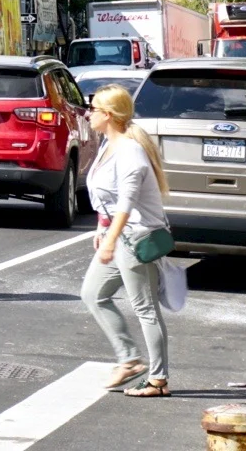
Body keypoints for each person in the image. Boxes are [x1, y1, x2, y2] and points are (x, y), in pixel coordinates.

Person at [82, 84, 171, 397]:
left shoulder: (130, 152)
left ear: (107, 115)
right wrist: (100, 228)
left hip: (136, 238)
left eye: (93, 109)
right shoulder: (108, 146)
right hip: (117, 235)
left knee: (145, 309)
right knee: (92, 293)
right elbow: (106, 197)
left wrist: (110, 239)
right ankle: (130, 359)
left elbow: (127, 202)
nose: (88, 113)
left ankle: (158, 380)